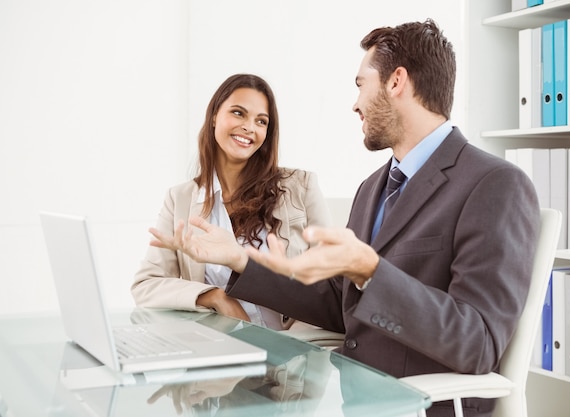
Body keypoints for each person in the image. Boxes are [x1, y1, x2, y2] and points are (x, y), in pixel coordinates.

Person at [151, 20, 540, 417]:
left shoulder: (495, 184)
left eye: (360, 84)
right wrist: (238, 260)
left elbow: (477, 342)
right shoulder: (374, 187)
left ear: (396, 82)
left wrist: (370, 270)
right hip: (350, 398)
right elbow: (341, 303)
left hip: (419, 406)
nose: (355, 103)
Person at [132, 73, 331, 331]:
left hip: (292, 354)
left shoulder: (301, 187)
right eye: (238, 113)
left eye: (261, 121)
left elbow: (331, 282)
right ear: (214, 116)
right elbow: (146, 285)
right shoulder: (180, 199)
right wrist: (214, 296)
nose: (250, 127)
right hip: (224, 351)